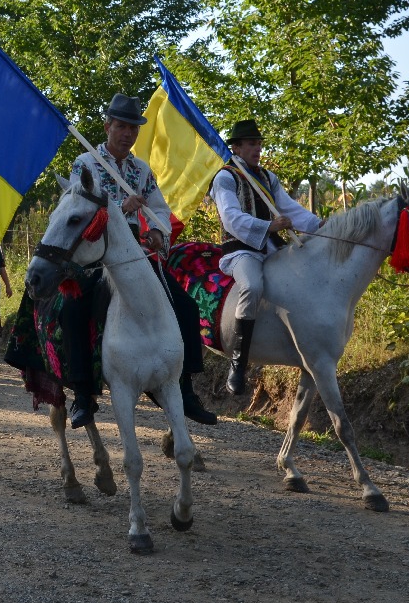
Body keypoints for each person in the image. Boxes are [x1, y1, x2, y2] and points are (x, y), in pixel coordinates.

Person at [61, 92, 217, 429]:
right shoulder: (85, 164)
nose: (127, 133)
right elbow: (78, 210)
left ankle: (184, 390)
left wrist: (159, 233)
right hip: (96, 251)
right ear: (107, 127)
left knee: (186, 307)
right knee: (73, 310)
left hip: (134, 252)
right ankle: (83, 394)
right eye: (121, 126)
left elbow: (159, 209)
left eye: (133, 128)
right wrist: (120, 209)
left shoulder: (141, 169)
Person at [209, 119, 323, 395]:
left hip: (270, 246)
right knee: (252, 286)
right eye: (251, 144)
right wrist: (268, 226)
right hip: (240, 250)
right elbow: (230, 217)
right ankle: (238, 363)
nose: (257, 148)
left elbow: (290, 209)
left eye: (259, 144)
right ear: (236, 147)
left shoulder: (268, 177)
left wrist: (320, 226)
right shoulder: (225, 176)